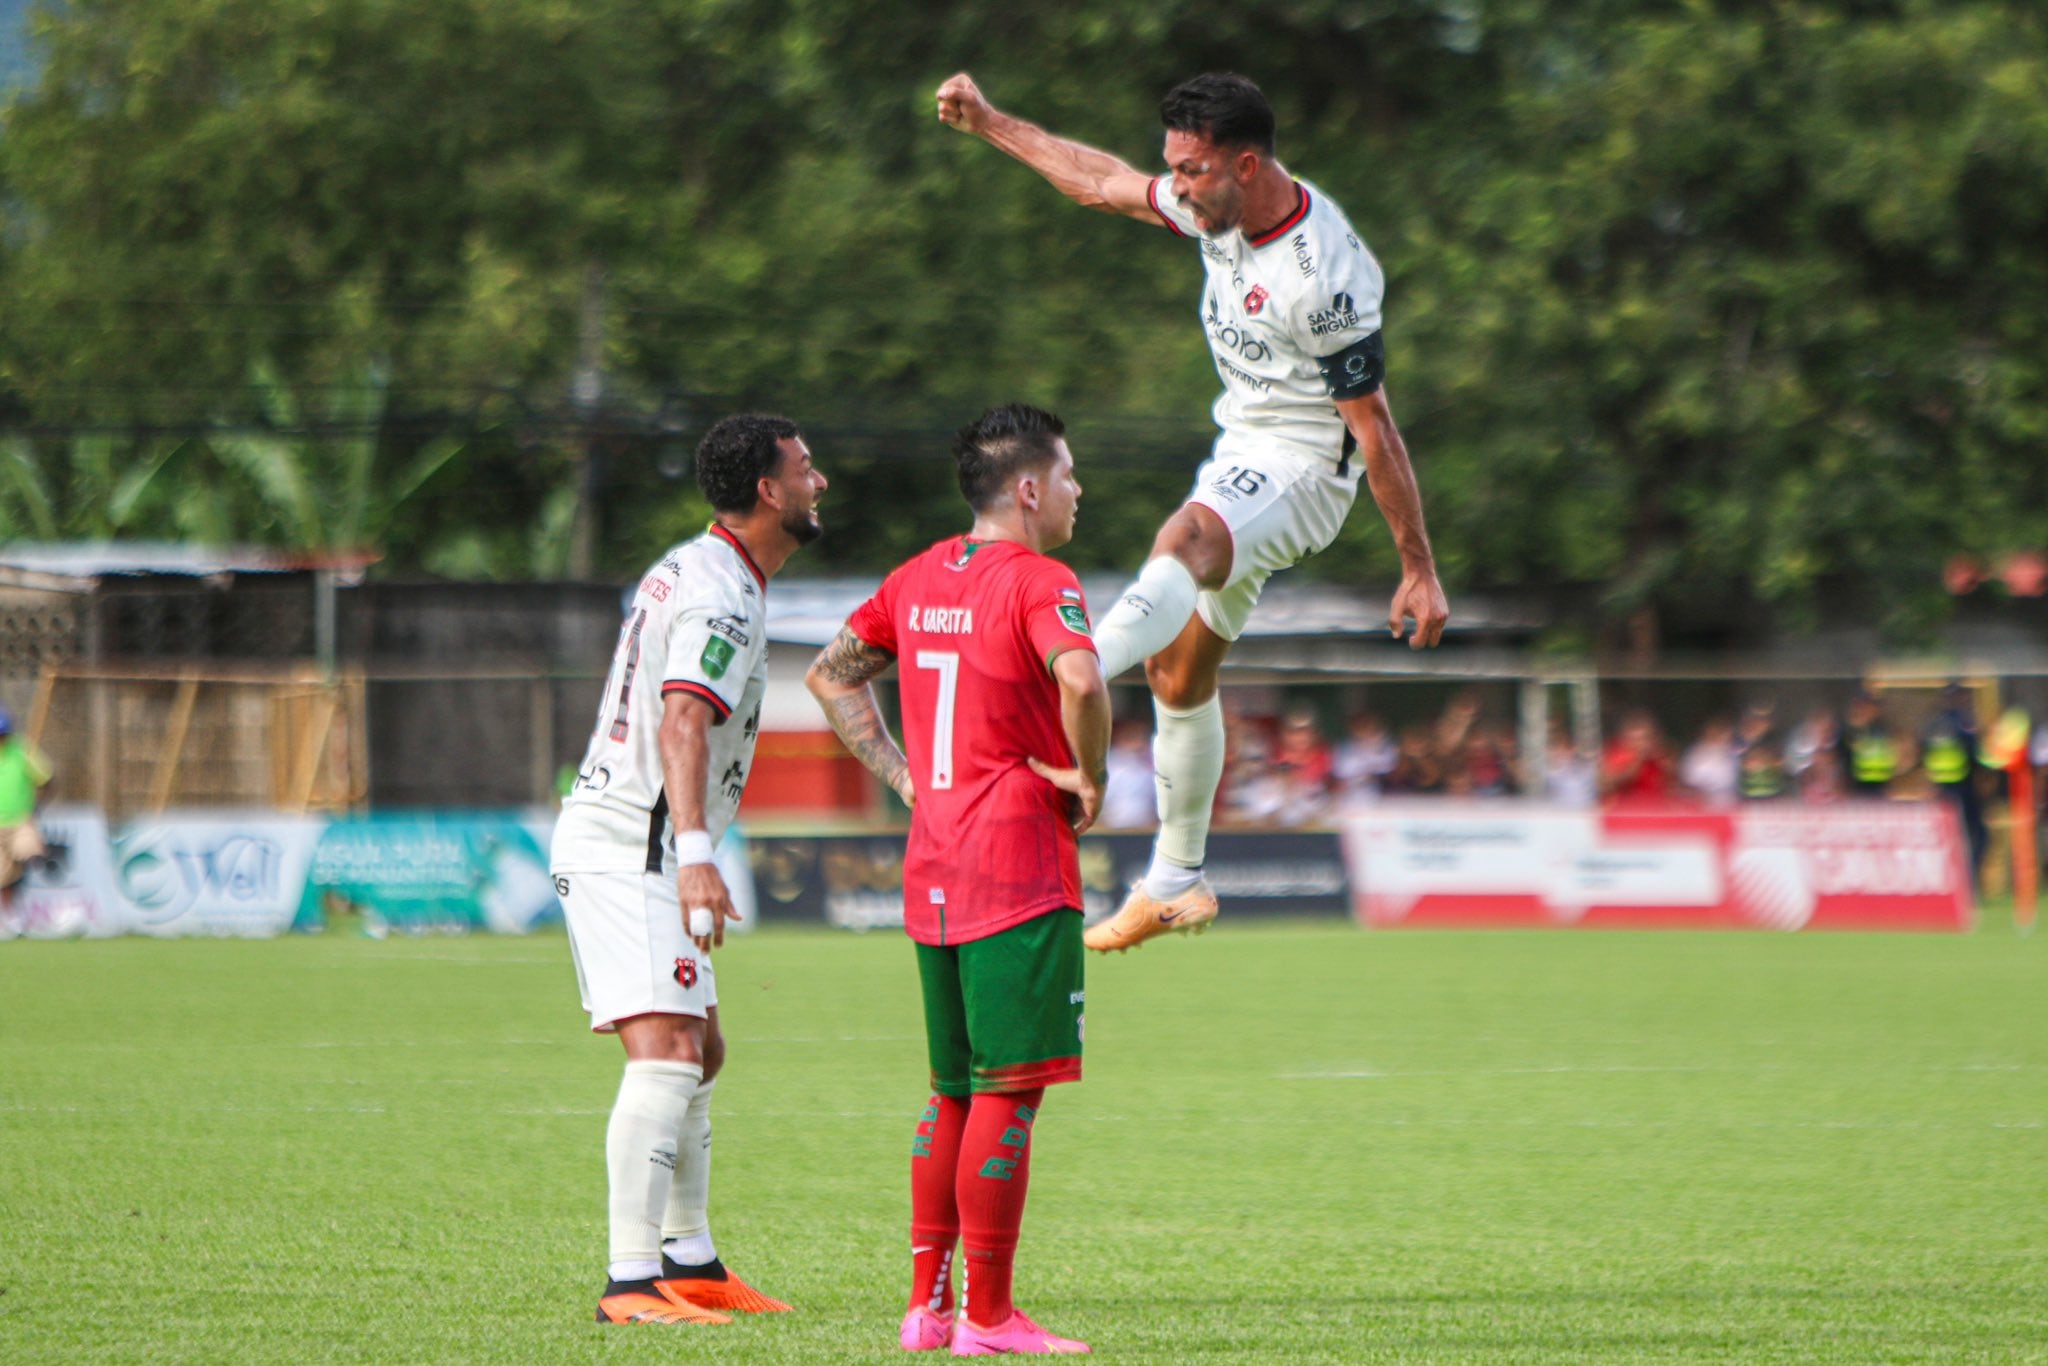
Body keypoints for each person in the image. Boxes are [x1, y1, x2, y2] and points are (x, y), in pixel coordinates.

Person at [937, 71, 1449, 952]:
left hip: (1302, 470)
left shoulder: (1321, 274)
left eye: (1191, 170)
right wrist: (988, 124)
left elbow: (1377, 431)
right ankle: (1176, 883)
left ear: (1246, 166)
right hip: (1241, 449)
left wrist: (1418, 565)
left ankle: (1066, 668)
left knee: (1186, 537)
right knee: (1179, 679)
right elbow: (1097, 181)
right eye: (1172, 167)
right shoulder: (1210, 206)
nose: (1174, 185)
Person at [806, 404, 1109, 1356]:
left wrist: (905, 779)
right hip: (1016, 866)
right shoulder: (1039, 580)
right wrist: (1089, 774)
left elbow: (828, 673)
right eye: (1066, 476)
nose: (1076, 492)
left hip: (932, 864)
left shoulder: (916, 577)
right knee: (1008, 1094)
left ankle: (927, 1309)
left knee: (952, 1093)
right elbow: (1086, 682)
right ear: (1026, 489)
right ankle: (989, 1317)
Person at [549, 413, 825, 1327]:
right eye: (806, 468)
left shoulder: (710, 569)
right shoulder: (720, 591)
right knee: (666, 1052)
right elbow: (681, 721)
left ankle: (693, 1262)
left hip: (647, 841)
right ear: (768, 492)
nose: (819, 482)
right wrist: (697, 857)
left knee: (701, 1049)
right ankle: (630, 1283)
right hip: (633, 844)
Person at [1922, 683, 1986, 888]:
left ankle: (1944, 881)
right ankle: (1967, 882)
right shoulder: (1964, 723)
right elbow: (1976, 755)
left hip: (1938, 789)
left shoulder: (1932, 725)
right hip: (1962, 788)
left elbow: (1923, 754)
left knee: (1945, 839)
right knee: (1976, 835)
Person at [0, 706, 53, 916]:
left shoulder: (21, 751)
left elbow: (46, 780)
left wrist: (35, 806)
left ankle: (41, 869)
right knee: (3, 874)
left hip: (21, 819)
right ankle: (9, 916)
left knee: (29, 850)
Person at [1100, 719, 1158, 830]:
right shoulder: (1110, 763)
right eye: (1132, 738)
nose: (1138, 743)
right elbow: (1103, 798)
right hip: (1114, 827)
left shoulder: (1152, 762)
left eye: (1140, 738)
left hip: (1147, 828)